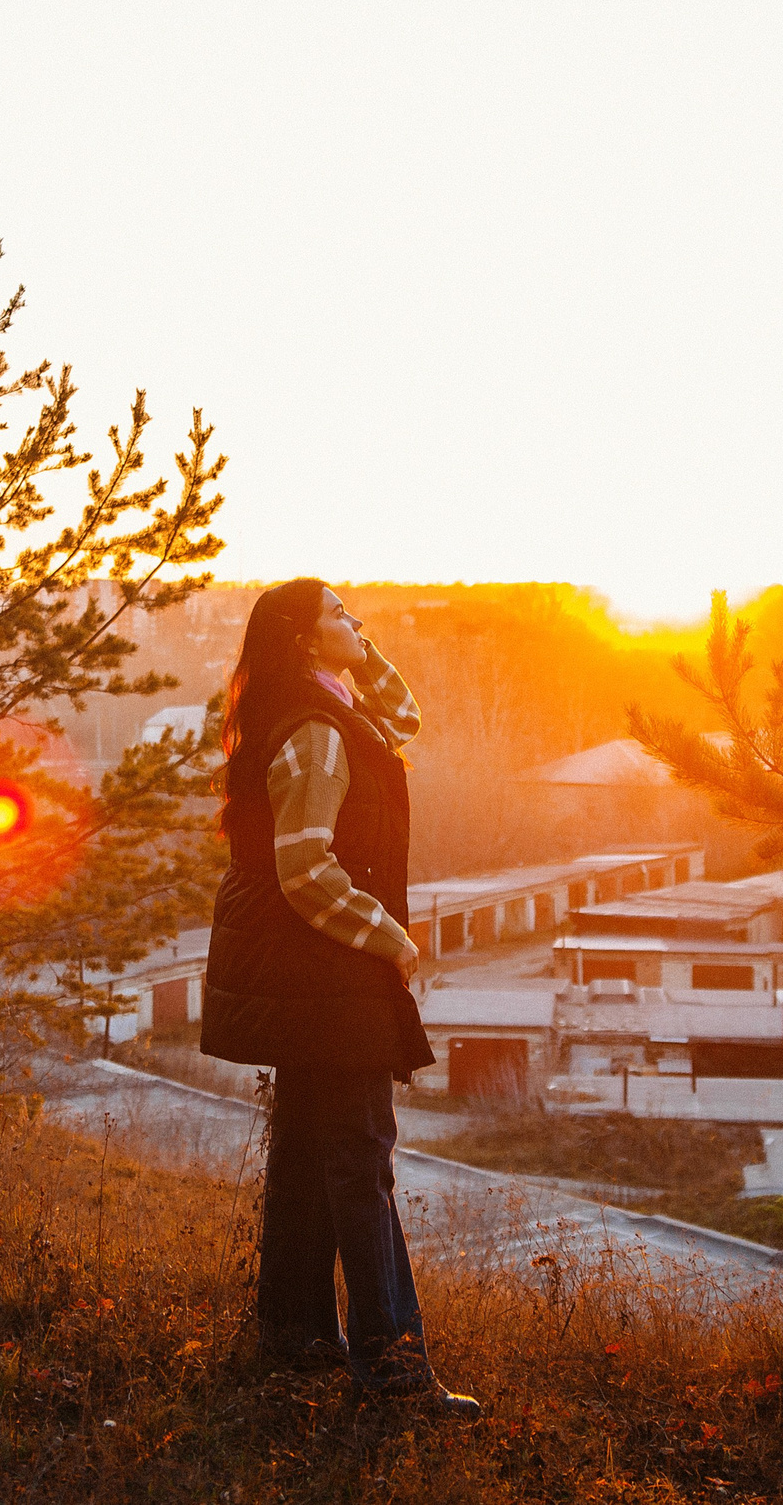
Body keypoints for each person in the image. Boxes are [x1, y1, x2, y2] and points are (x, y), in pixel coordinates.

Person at [200, 578, 482, 1417]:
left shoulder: (329, 710)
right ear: (299, 639)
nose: (356, 623)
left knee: (306, 1158)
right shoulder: (320, 735)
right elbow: (305, 869)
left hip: (308, 973)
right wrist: (390, 936)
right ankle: (394, 1371)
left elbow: (404, 717)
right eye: (338, 615)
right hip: (331, 971)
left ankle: (294, 1341)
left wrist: (354, 642)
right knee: (362, 1158)